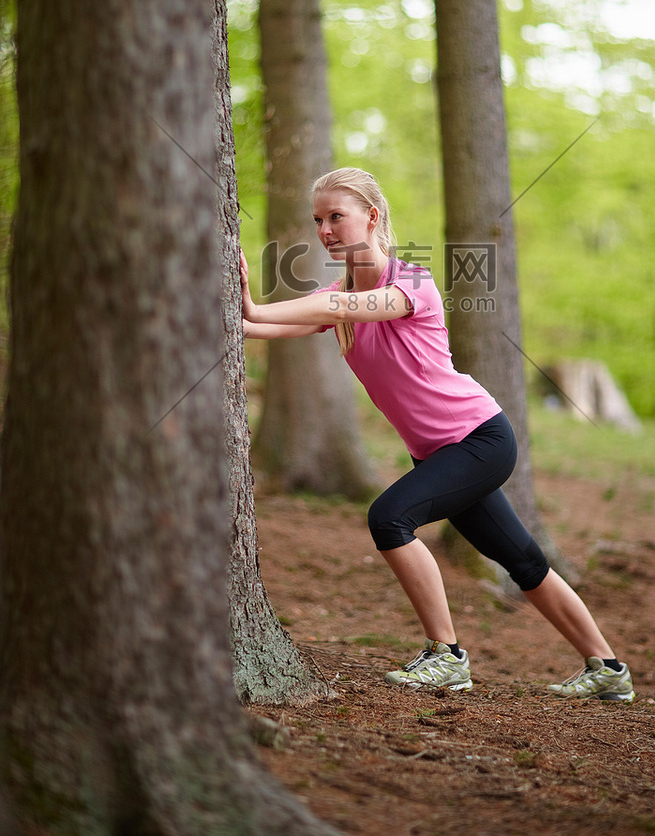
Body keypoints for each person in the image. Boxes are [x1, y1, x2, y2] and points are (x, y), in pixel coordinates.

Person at [241, 167, 634, 702]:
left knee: (390, 517)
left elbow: (332, 309)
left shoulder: (412, 283)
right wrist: (239, 313)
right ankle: (607, 668)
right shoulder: (342, 293)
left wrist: (256, 308)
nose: (325, 229)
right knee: (522, 560)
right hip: (440, 454)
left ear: (372, 217)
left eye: (337, 216)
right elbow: (280, 323)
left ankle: (446, 655)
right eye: (318, 219)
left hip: (479, 440)